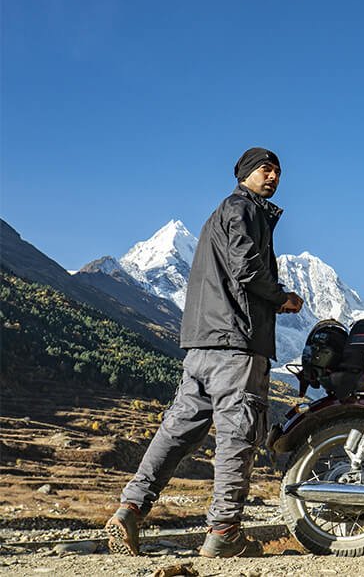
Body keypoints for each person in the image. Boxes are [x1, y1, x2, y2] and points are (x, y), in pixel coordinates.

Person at [105, 147, 303, 558]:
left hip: (200, 347)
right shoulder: (243, 210)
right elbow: (247, 269)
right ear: (246, 173)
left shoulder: (219, 216)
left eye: (278, 172)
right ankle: (224, 532)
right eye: (266, 170)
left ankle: (130, 508)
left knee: (176, 432)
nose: (274, 177)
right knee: (238, 435)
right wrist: (283, 298)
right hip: (236, 345)